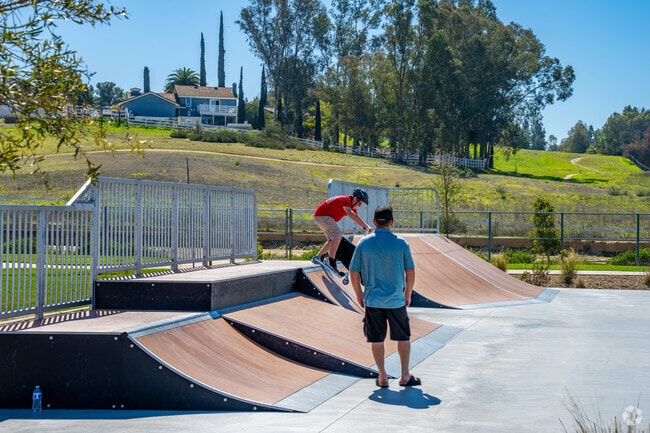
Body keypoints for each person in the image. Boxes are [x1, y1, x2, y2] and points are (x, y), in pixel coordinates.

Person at [349, 205, 420, 388]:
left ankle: (382, 377)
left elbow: (353, 272)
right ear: (392, 222)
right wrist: (408, 293)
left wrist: (359, 295)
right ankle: (405, 376)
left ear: (374, 222)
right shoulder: (401, 243)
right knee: (403, 337)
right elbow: (410, 270)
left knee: (377, 339)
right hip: (397, 299)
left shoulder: (364, 244)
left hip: (373, 300)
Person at [312, 188, 373, 275]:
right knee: (337, 236)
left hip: (321, 217)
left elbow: (356, 218)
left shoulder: (350, 204)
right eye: (359, 203)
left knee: (332, 239)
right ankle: (331, 261)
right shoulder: (346, 200)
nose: (359, 206)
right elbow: (350, 214)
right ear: (355, 198)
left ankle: (318, 257)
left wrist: (365, 226)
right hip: (323, 216)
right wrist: (366, 226)